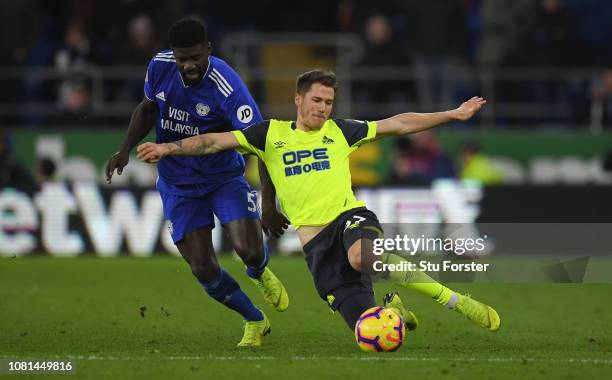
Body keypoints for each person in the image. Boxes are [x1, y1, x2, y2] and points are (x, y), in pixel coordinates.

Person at [136, 68, 501, 334]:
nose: (323, 108)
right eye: (317, 100)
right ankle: (393, 308)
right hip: (317, 248)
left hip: (349, 219)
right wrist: (167, 147)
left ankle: (457, 301)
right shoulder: (270, 134)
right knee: (367, 333)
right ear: (298, 99)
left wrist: (453, 114)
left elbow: (399, 124)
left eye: (328, 102)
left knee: (363, 256)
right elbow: (214, 141)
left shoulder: (341, 131)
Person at [105, 18, 289, 348]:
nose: (188, 65)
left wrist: (268, 205)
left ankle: (259, 270)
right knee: (202, 267)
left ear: (208, 50)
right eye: (181, 59)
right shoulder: (159, 67)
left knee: (247, 248)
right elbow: (148, 109)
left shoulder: (228, 87)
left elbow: (261, 142)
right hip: (178, 183)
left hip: (223, 178)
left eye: (195, 58)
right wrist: (124, 149)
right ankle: (254, 319)